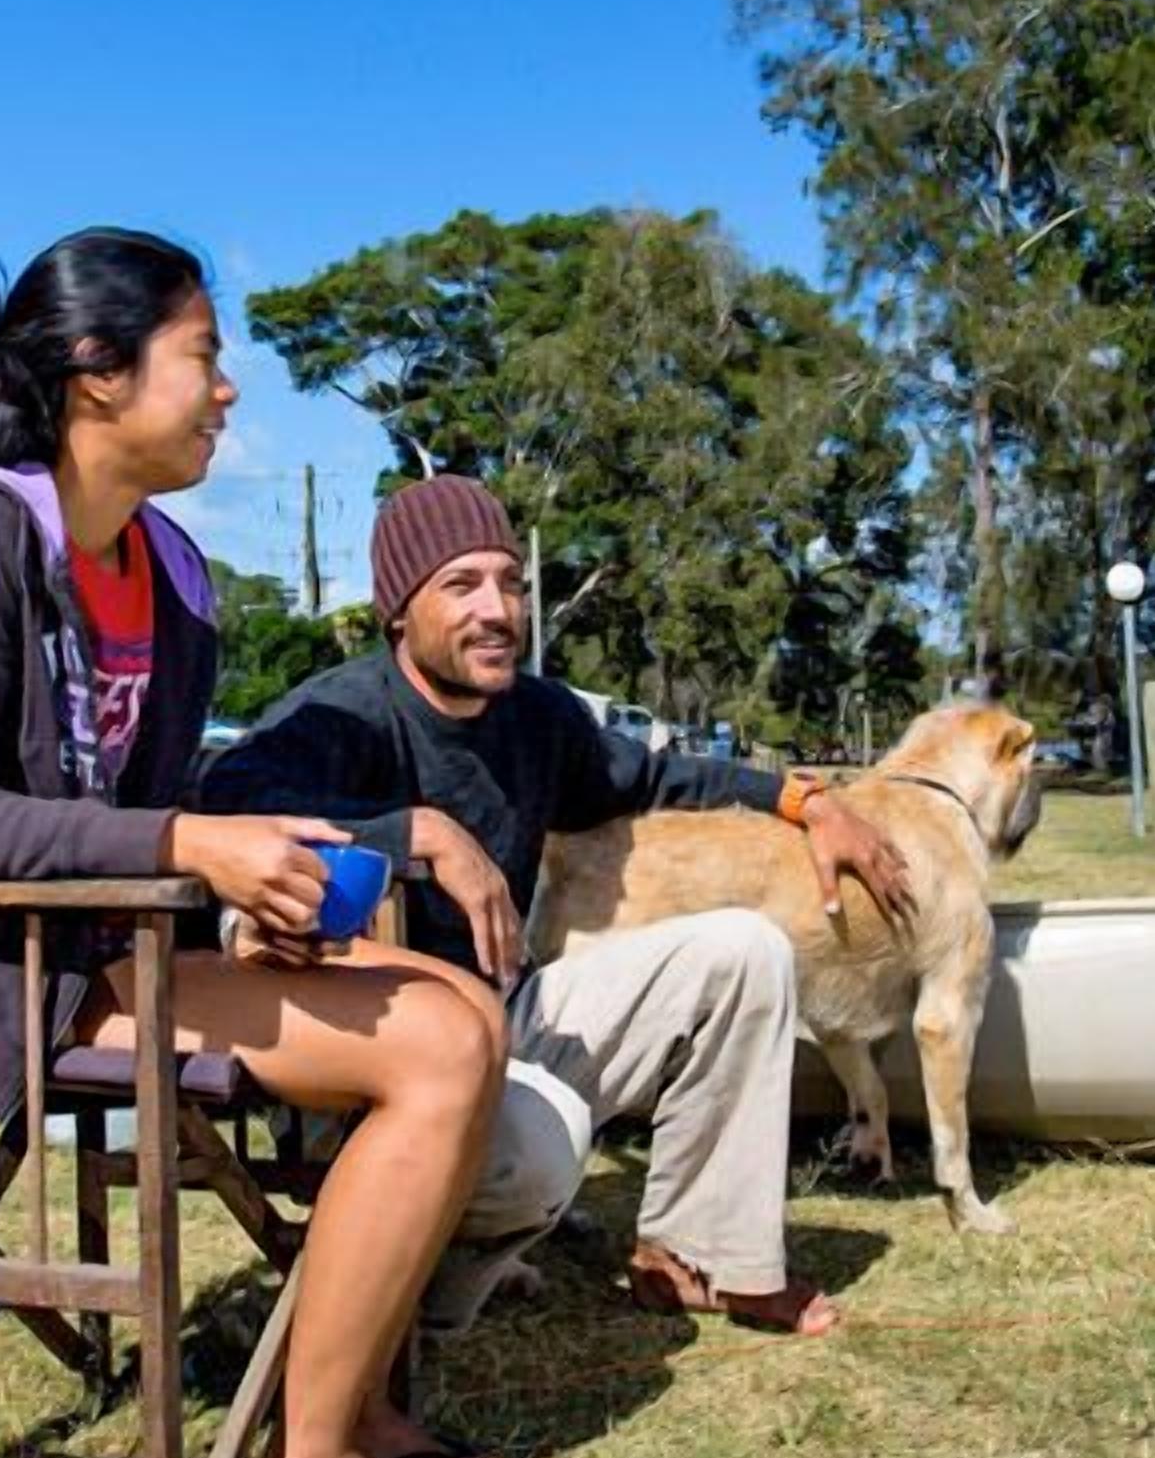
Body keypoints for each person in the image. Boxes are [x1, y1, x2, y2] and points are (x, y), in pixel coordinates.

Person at [0, 231, 529, 1458]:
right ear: (97, 375)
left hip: (98, 951)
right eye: (202, 356)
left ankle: (356, 1406)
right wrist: (197, 846)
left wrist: (232, 899)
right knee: (433, 1046)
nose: (227, 389)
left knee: (457, 1005)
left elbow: (132, 822)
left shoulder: (177, 581)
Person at [198, 474, 914, 1338]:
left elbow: (655, 775)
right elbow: (224, 809)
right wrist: (413, 832)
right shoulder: (339, 716)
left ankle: (704, 1258)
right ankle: (402, 1301)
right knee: (542, 1153)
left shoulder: (536, 715)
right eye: (461, 585)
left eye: (510, 582)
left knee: (742, 951)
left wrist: (809, 803)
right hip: (369, 1059)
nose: (497, 610)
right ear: (398, 612)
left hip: (506, 1014)